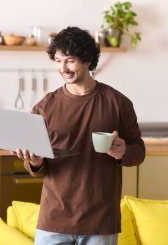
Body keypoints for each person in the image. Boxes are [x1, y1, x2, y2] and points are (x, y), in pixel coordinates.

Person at [14, 26, 145, 245]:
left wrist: (123, 151)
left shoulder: (118, 103)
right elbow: (37, 168)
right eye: (57, 61)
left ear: (87, 60)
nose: (62, 68)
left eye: (70, 60)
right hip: (54, 217)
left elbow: (139, 152)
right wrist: (35, 161)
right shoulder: (45, 107)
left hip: (101, 219)